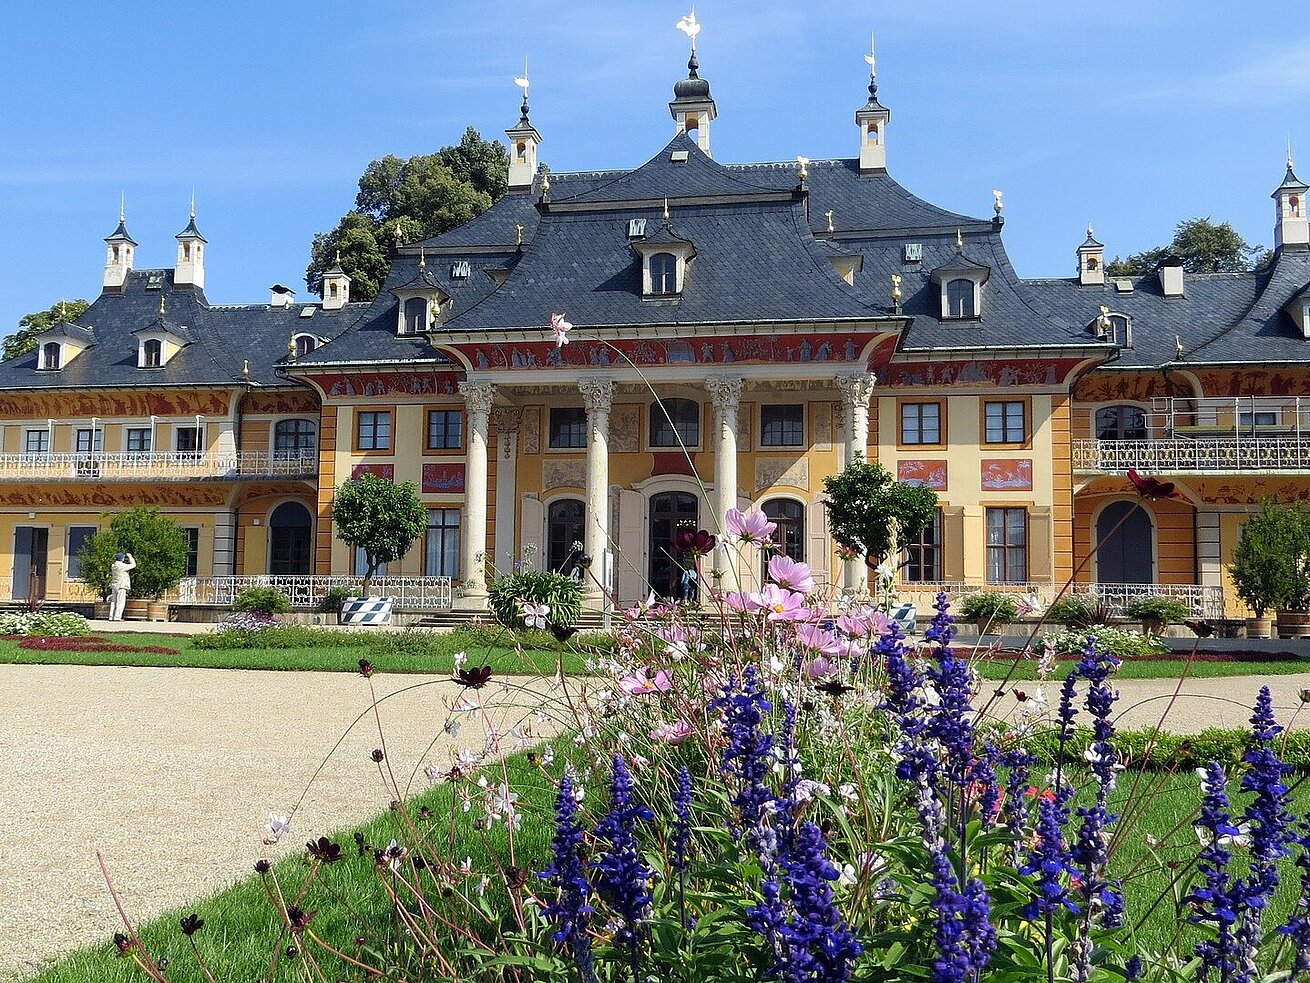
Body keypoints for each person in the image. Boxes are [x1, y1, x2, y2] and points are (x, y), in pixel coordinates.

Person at [108, 552, 135, 621]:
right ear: (122, 558)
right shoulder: (122, 566)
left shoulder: (113, 565)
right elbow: (133, 565)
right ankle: (117, 617)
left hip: (114, 585)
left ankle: (111, 616)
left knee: (114, 601)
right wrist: (130, 557)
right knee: (121, 602)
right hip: (121, 586)